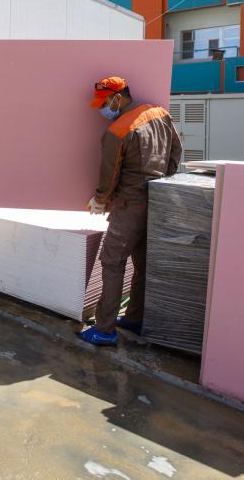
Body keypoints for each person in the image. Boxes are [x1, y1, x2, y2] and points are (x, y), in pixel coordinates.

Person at [79, 76, 182, 346]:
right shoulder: (160, 114)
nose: (103, 109)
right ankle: (134, 318)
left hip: (129, 205)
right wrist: (162, 185)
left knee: (112, 262)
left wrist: (100, 199)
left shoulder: (118, 130)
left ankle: (104, 330)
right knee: (143, 264)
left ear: (118, 98)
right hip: (157, 202)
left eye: (104, 103)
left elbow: (110, 173)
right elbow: (175, 154)